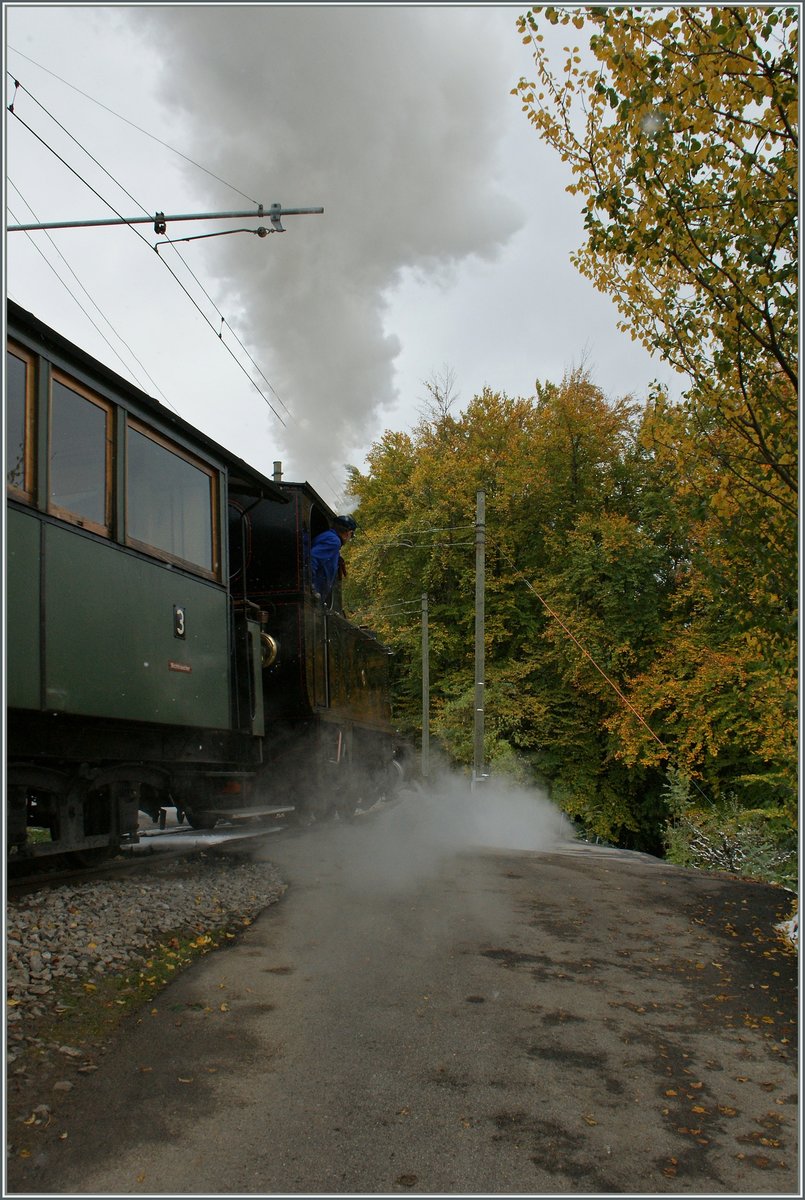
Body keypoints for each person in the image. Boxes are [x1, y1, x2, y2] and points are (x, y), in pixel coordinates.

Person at [310, 514, 356, 602]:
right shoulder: (334, 541)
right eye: (351, 536)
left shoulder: (329, 537)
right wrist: (310, 586)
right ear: (348, 533)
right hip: (313, 593)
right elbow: (312, 558)